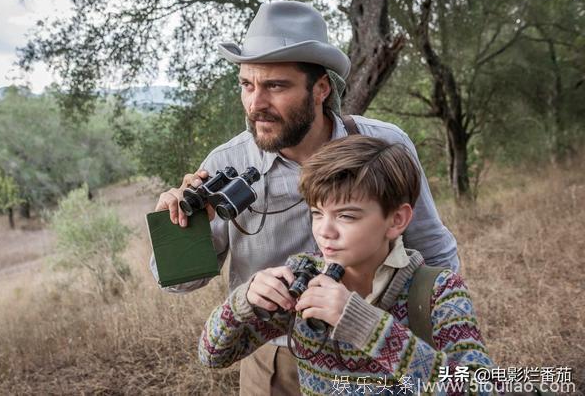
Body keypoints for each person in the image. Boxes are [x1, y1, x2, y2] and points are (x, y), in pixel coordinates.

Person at [152, 1, 458, 394]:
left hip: (380, 351)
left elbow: (433, 249)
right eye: (247, 85)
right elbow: (180, 285)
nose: (255, 103)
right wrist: (176, 231)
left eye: (275, 86)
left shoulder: (384, 145)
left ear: (320, 89)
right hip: (274, 359)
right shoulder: (224, 164)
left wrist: (427, 344)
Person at [198, 135, 495, 395]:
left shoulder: (439, 292)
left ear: (397, 220)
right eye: (317, 213)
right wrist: (242, 301)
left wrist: (363, 324)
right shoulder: (304, 279)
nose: (325, 231)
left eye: (346, 216)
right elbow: (212, 356)